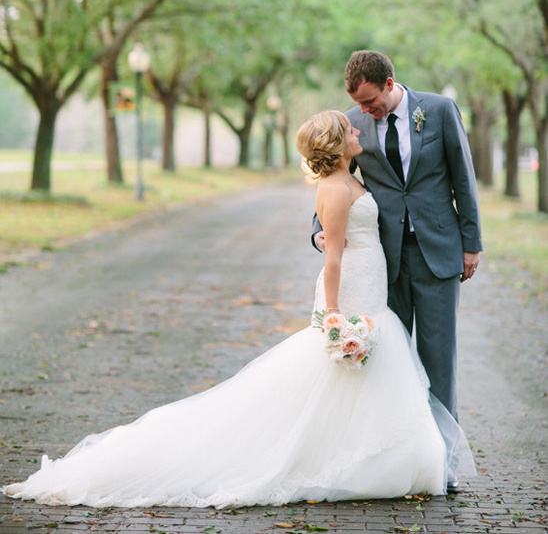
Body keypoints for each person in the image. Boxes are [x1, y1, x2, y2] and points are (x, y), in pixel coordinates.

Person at [3, 111, 473, 509]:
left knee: (365, 380)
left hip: (372, 291)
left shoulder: (353, 177)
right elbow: (332, 259)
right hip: (351, 294)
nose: (358, 133)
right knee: (336, 378)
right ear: (337, 143)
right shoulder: (334, 189)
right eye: (349, 132)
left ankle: (373, 459)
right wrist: (333, 317)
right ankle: (347, 462)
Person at [313, 52, 483, 492]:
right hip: (381, 260)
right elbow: (333, 175)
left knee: (437, 362)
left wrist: (471, 244)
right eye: (359, 105)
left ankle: (442, 463)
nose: (365, 112)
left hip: (439, 253)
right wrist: (320, 231)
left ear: (390, 84)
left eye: (371, 102)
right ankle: (393, 461)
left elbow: (463, 178)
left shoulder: (440, 111)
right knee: (389, 363)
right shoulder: (351, 122)